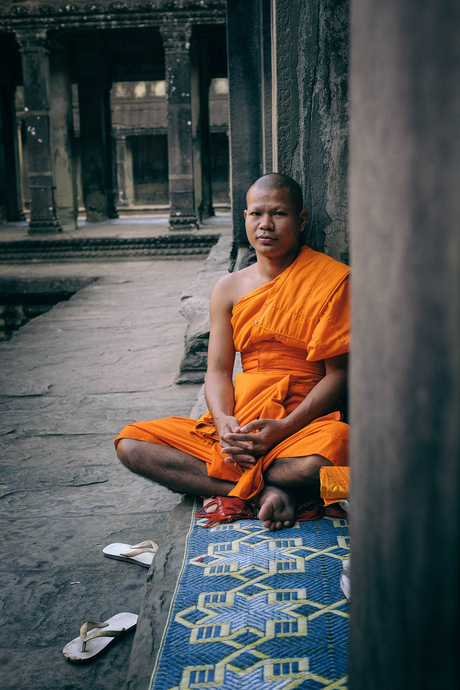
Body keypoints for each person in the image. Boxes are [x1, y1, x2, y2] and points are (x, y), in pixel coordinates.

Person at [115, 173, 350, 531]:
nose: (266, 225)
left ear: (301, 220)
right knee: (132, 445)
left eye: (279, 214)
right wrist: (224, 422)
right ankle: (266, 492)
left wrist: (284, 427)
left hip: (303, 424)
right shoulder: (228, 288)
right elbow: (218, 372)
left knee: (338, 462)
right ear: (244, 219)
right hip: (243, 423)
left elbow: (338, 374)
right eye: (256, 214)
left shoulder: (333, 279)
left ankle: (245, 485)